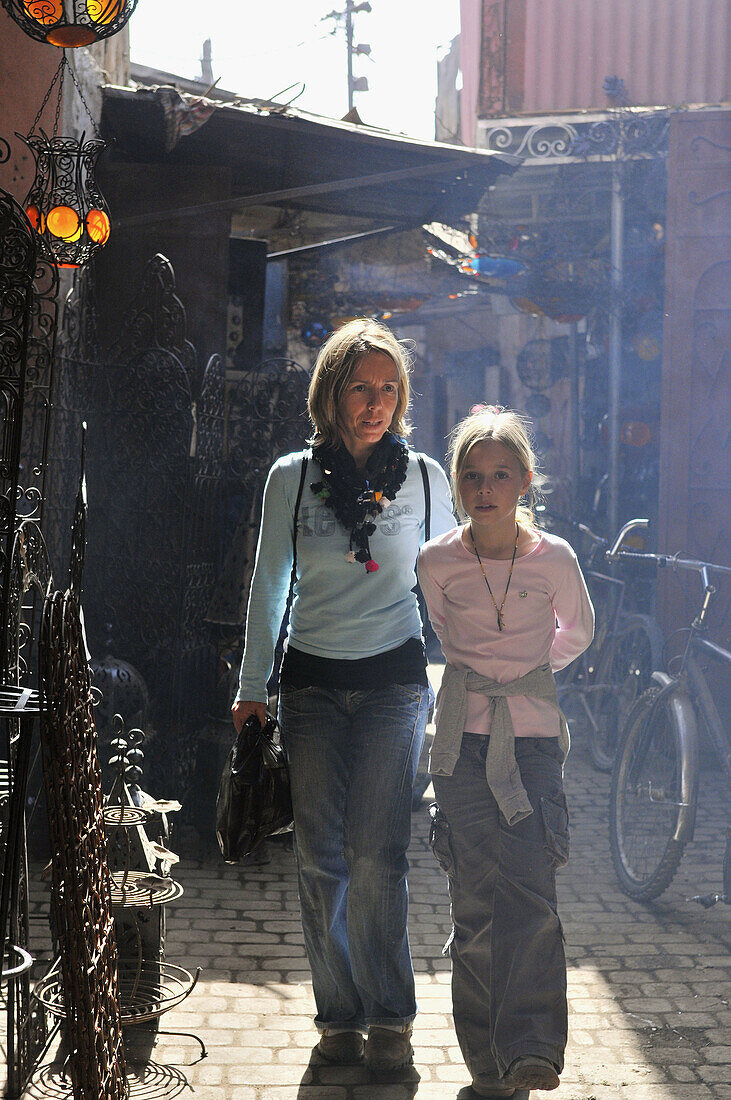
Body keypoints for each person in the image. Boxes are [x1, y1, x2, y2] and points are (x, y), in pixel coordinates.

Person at [232, 318, 454, 1073]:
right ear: (331, 393)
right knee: (320, 858)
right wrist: (251, 686)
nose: (376, 402)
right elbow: (270, 586)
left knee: (376, 857)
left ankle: (389, 1020)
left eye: (389, 388)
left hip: (394, 683)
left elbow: (452, 582)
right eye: (361, 386)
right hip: (313, 687)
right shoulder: (291, 477)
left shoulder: (423, 476)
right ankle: (339, 1020)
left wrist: (468, 681)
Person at [417, 405, 594, 1098]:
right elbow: (442, 631)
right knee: (475, 901)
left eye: (498, 474)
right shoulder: (437, 561)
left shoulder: (554, 559)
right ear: (458, 485)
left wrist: (523, 675)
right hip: (460, 744)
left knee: (530, 889)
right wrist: (483, 683)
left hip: (531, 746)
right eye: (471, 475)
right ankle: (485, 1062)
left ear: (523, 480)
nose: (484, 487)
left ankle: (531, 1049)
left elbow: (576, 633)